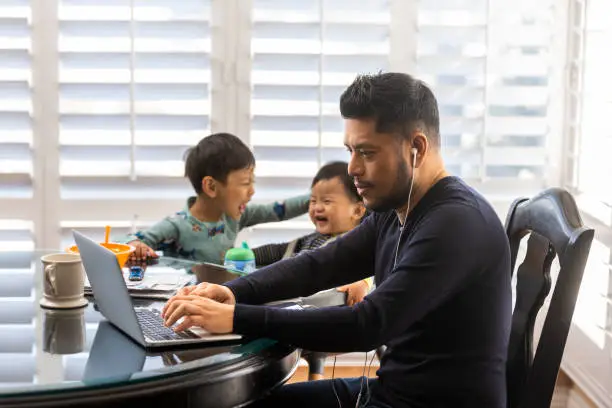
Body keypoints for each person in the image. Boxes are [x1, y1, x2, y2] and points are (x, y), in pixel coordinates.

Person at [161, 73, 512, 408]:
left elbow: (367, 325)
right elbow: (321, 264)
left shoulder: (456, 223)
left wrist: (236, 317)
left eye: (367, 153)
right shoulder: (398, 208)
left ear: (416, 148)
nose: (353, 169)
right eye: (350, 151)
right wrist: (237, 291)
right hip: (393, 394)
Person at [119, 132, 310, 264]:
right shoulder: (177, 225)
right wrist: (136, 246)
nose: (252, 191)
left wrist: (316, 198)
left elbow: (278, 211)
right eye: (245, 183)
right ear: (211, 187)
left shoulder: (234, 216)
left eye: (253, 182)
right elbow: (131, 240)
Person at [252, 160, 372, 306]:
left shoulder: (355, 242)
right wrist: (248, 255)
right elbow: (278, 251)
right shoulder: (310, 239)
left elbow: (368, 264)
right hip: (284, 297)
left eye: (327, 201)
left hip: (314, 308)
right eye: (313, 201)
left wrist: (363, 283)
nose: (317, 208)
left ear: (357, 210)